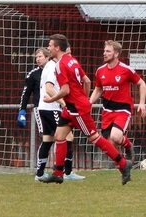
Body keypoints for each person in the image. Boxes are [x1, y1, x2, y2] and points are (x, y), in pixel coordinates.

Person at [41, 34, 132, 185]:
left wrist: (51, 99)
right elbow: (87, 81)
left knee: (94, 138)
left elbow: (65, 90)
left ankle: (123, 163)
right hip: (72, 107)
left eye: (50, 45)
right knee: (59, 136)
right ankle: (58, 173)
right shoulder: (72, 60)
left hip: (76, 109)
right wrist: (84, 98)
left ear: (57, 47)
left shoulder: (60, 65)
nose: (49, 48)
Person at [89, 40, 146, 164]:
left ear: (116, 54)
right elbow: (98, 89)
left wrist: (142, 103)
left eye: (108, 51)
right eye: (104, 51)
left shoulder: (126, 69)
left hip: (122, 109)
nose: (104, 53)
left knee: (115, 136)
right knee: (110, 143)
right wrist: (89, 103)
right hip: (107, 110)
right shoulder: (100, 71)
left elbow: (142, 83)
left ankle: (127, 145)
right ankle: (123, 165)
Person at [35, 49, 85, 182]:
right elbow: (49, 88)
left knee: (47, 139)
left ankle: (39, 173)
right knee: (67, 136)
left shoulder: (51, 65)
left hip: (44, 108)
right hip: (52, 108)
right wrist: (63, 103)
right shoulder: (54, 66)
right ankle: (67, 172)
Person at [17, 48, 49, 161]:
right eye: (36, 57)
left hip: (54, 107)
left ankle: (59, 165)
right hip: (40, 108)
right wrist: (22, 111)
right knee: (45, 135)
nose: (37, 59)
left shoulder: (54, 70)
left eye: (40, 56)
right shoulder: (33, 74)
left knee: (59, 135)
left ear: (47, 57)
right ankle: (40, 166)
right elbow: (25, 94)